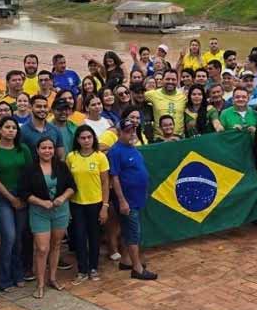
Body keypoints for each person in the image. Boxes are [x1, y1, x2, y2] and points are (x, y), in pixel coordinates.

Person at [24, 138, 76, 297]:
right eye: (44, 148)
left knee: (56, 244)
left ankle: (52, 278)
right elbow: (24, 192)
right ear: (38, 150)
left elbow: (72, 187)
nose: (47, 151)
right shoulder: (30, 169)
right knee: (41, 248)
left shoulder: (61, 166)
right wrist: (41, 202)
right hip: (39, 212)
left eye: (50, 148)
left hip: (60, 211)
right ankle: (40, 284)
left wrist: (63, 197)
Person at [0, 117, 32, 291]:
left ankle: (18, 273)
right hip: (4, 197)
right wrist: (11, 198)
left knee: (19, 238)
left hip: (22, 196)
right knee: (9, 237)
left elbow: (29, 173)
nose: (11, 130)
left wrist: (23, 196)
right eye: (7, 127)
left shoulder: (23, 149)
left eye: (13, 127)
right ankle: (4, 279)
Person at [108, 119, 157, 280]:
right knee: (133, 232)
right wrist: (122, 200)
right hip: (127, 200)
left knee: (127, 230)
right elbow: (114, 178)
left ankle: (126, 259)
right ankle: (137, 268)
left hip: (137, 197)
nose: (131, 134)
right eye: (128, 131)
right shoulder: (115, 151)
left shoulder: (132, 148)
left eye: (133, 130)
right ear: (119, 133)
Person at [67, 126, 110, 284]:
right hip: (76, 204)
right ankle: (82, 269)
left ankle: (93, 268)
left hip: (95, 203)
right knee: (79, 237)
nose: (86, 141)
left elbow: (105, 183)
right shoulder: (71, 157)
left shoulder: (100, 157)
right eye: (83, 138)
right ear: (77, 140)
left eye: (89, 137)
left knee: (94, 237)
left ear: (93, 139)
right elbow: (68, 182)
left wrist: (105, 206)